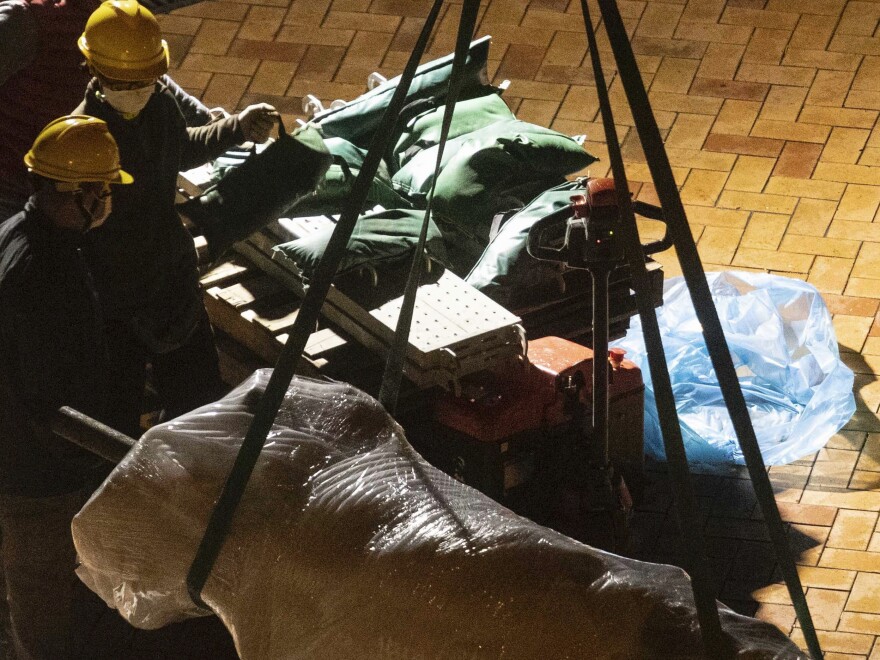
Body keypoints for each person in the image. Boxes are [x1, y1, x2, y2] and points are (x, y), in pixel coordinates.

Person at [73, 0, 279, 438]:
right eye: (122, 82)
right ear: (93, 70)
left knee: (198, 404)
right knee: (116, 419)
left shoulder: (160, 105)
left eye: (144, 79)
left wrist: (236, 127)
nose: (135, 90)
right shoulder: (82, 141)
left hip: (170, 281)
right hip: (114, 303)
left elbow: (181, 147)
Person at [0, 114, 131, 660]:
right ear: (76, 193)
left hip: (20, 455)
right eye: (102, 190)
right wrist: (93, 461)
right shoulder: (43, 276)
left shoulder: (17, 233)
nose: (106, 201)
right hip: (34, 475)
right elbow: (46, 402)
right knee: (41, 591)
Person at [0, 0, 214, 221]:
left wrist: (203, 119)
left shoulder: (117, 17)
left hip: (79, 189)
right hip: (14, 191)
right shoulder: (25, 21)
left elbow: (137, 73)